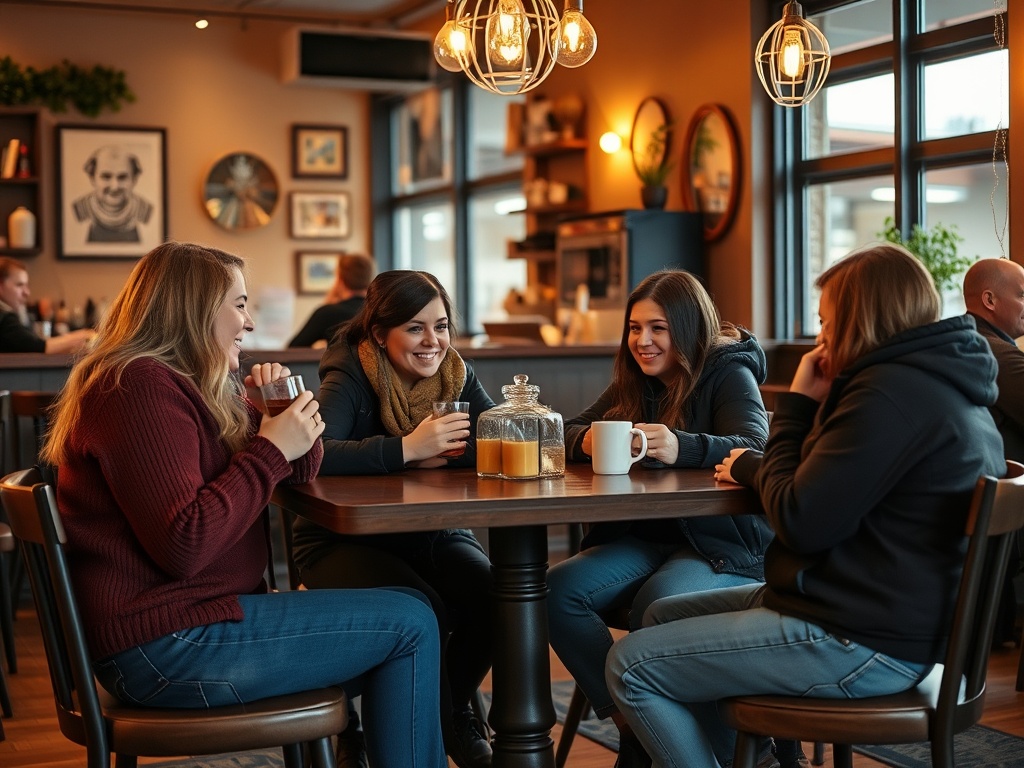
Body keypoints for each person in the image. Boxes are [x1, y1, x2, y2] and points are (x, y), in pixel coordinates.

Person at [39, 242, 447, 768]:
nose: (249, 322)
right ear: (194, 308)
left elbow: (303, 465)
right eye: (238, 305)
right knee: (410, 622)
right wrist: (271, 447)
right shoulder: (136, 386)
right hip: (167, 646)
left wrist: (276, 412)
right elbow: (185, 544)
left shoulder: (186, 384)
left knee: (410, 611)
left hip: (192, 624)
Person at [603, 243, 1004, 768]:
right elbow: (810, 491)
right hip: (868, 610)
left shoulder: (886, 399)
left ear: (860, 319)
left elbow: (797, 518)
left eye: (827, 321)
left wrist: (795, 405)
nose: (821, 338)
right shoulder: (937, 386)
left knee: (629, 664)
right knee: (657, 614)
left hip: (863, 640)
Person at [546, 269, 772, 768]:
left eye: (658, 329)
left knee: (657, 606)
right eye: (634, 328)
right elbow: (568, 429)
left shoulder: (727, 371)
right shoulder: (635, 380)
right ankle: (636, 724)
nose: (642, 342)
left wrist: (682, 445)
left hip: (720, 545)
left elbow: (756, 447)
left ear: (689, 329)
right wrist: (584, 440)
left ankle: (736, 753)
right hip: (644, 538)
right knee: (554, 591)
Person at [290, 269, 497, 768]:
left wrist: (445, 450)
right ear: (380, 335)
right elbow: (313, 451)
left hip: (430, 531)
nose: (433, 342)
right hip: (341, 542)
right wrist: (407, 448)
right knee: (424, 609)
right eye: (415, 328)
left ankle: (446, 713)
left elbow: (497, 433)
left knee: (497, 597)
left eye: (441, 326)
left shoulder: (456, 374)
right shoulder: (350, 374)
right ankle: (439, 725)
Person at [962, 257, 1024, 645]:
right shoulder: (994, 353)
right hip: (1000, 499)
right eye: (1021, 294)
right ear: (989, 298)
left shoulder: (968, 341)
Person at [0, 256, 95, 353]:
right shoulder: (4, 319)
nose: (27, 293)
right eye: (19, 285)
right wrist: (83, 337)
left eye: (26, 286)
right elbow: (36, 347)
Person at [288, 253, 375, 348]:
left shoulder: (327, 313)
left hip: (341, 363)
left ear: (340, 280)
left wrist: (329, 302)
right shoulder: (379, 311)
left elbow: (293, 349)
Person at [72, 145, 153, 243]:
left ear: (134, 179)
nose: (115, 186)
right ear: (92, 178)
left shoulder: (145, 210)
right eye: (106, 177)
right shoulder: (80, 209)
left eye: (122, 177)